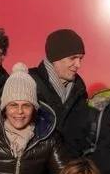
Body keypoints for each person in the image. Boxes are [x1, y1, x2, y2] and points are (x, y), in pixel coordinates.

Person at [30, 28, 91, 158]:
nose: (78, 64)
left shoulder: (79, 89)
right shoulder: (28, 82)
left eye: (80, 58)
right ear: (55, 58)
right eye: (73, 58)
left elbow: (81, 135)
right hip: (34, 169)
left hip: (68, 170)